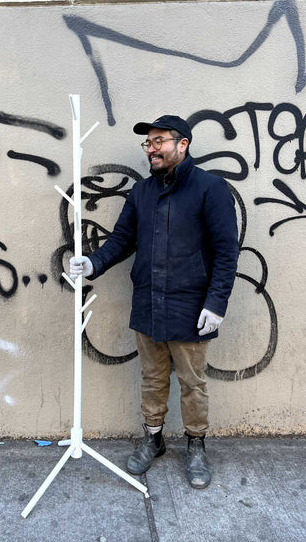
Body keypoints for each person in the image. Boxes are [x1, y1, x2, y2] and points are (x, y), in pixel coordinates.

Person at [69, 115, 239, 489]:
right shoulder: (142, 191)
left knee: (193, 382)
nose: (152, 149)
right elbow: (121, 239)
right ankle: (154, 438)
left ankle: (196, 445)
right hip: (147, 301)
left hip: (191, 306)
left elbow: (227, 252)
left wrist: (216, 303)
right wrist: (93, 263)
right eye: (148, 143)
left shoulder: (211, 189)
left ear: (183, 145)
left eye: (159, 141)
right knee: (152, 378)